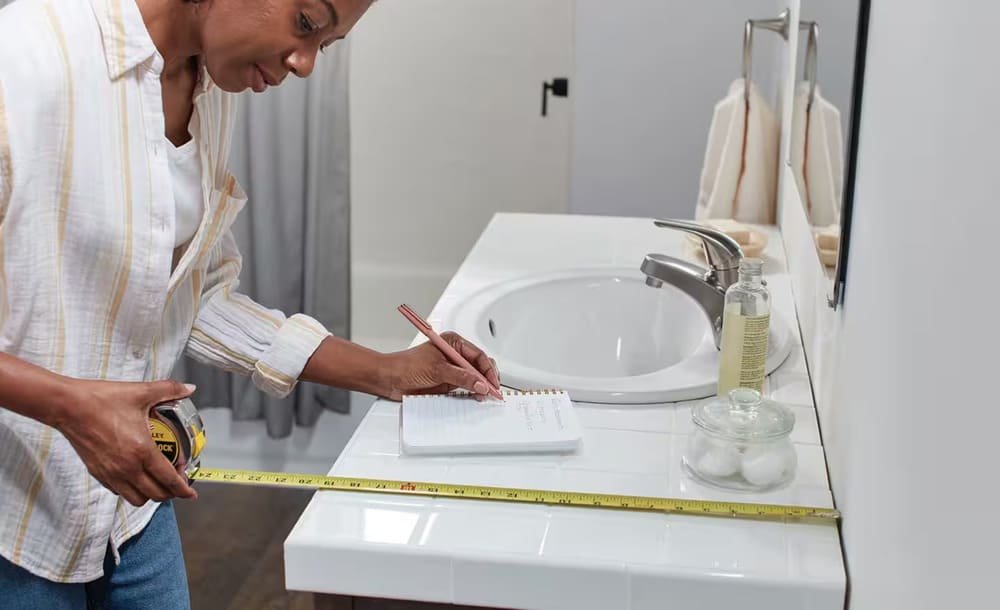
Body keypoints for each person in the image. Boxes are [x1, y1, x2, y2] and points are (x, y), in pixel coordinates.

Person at [0, 0, 500, 607]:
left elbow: (194, 293)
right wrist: (70, 406)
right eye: (308, 23)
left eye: (329, 44)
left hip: (128, 505)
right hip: (15, 518)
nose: (308, 64)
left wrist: (388, 370)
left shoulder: (208, 87)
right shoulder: (23, 58)